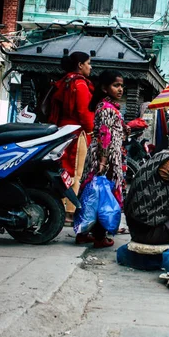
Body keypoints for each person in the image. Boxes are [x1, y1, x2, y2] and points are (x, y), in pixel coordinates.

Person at [78, 70, 129, 248]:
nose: (120, 89)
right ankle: (99, 237)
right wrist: (103, 160)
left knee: (91, 193)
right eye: (116, 85)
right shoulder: (107, 108)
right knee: (103, 196)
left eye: (121, 85)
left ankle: (83, 233)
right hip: (105, 157)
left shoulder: (107, 107)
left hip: (102, 156)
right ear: (105, 88)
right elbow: (104, 135)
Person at [48, 51, 95, 224]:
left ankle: (59, 206)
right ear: (80, 65)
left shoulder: (65, 81)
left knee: (63, 170)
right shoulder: (80, 84)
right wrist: (91, 131)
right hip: (76, 132)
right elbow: (84, 112)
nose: (90, 67)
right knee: (75, 172)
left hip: (62, 131)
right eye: (89, 63)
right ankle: (69, 211)